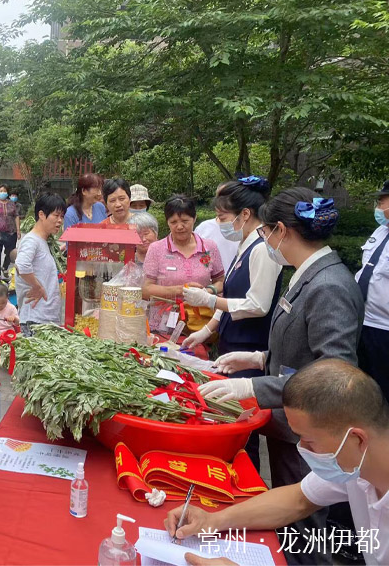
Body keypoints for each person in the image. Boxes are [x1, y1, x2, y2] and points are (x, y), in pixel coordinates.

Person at [198, 188, 364, 566]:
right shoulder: (307, 274)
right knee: (289, 523)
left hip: (313, 430)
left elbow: (333, 377)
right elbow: (303, 345)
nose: (265, 240)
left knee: (305, 529)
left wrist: (252, 386)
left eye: (268, 232)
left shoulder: (330, 285)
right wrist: (259, 357)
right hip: (289, 422)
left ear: (280, 231)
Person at [167, 360, 389, 566]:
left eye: (310, 441)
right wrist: (212, 521)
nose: (302, 450)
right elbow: (299, 499)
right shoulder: (357, 464)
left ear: (357, 438)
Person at [181, 176, 283, 469]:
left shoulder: (263, 249)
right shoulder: (245, 245)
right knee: (231, 413)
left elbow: (257, 304)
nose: (218, 222)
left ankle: (246, 477)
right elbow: (232, 293)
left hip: (250, 347)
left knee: (244, 423)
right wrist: (207, 329)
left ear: (246, 214)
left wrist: (210, 301)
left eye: (222, 216)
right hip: (232, 340)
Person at [143, 194, 224, 332]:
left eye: (185, 221)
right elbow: (145, 290)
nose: (179, 227)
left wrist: (205, 292)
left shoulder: (209, 247)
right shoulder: (156, 249)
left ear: (195, 219)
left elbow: (221, 281)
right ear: (167, 222)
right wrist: (180, 290)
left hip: (200, 323)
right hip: (163, 323)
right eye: (173, 222)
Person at [356, 179, 389, 398]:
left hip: (384, 330)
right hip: (363, 322)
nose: (378, 205)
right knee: (363, 391)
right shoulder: (379, 232)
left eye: (382, 200)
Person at [16, 193, 67, 326]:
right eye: (56, 215)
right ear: (41, 215)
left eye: (62, 216)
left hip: (45, 318)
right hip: (35, 319)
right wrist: (37, 287)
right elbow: (21, 265)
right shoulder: (31, 240)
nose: (60, 220)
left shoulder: (43, 241)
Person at [196, 183, 240, 272]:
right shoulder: (203, 228)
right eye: (219, 198)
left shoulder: (245, 228)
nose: (222, 202)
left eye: (226, 197)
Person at [0, 184, 21, 278]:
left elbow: (16, 216)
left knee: (11, 251)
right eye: (1, 191)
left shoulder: (11, 204)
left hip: (11, 232)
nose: (3, 193)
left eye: (5, 191)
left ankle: (5, 266)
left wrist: (18, 230)